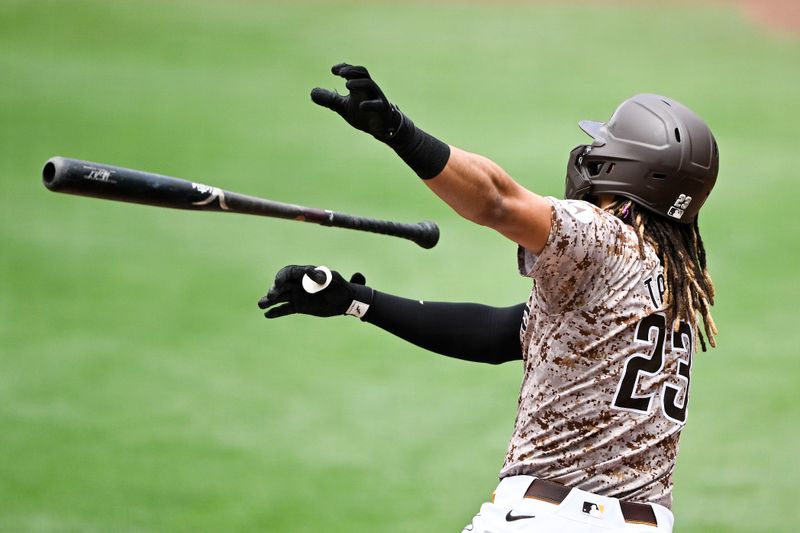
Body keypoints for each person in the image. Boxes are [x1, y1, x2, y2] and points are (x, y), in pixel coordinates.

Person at [258, 63, 719, 533]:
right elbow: (502, 333)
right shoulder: (671, 279)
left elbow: (496, 201)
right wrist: (358, 300)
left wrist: (400, 133)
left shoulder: (599, 239)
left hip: (552, 520)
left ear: (619, 168)